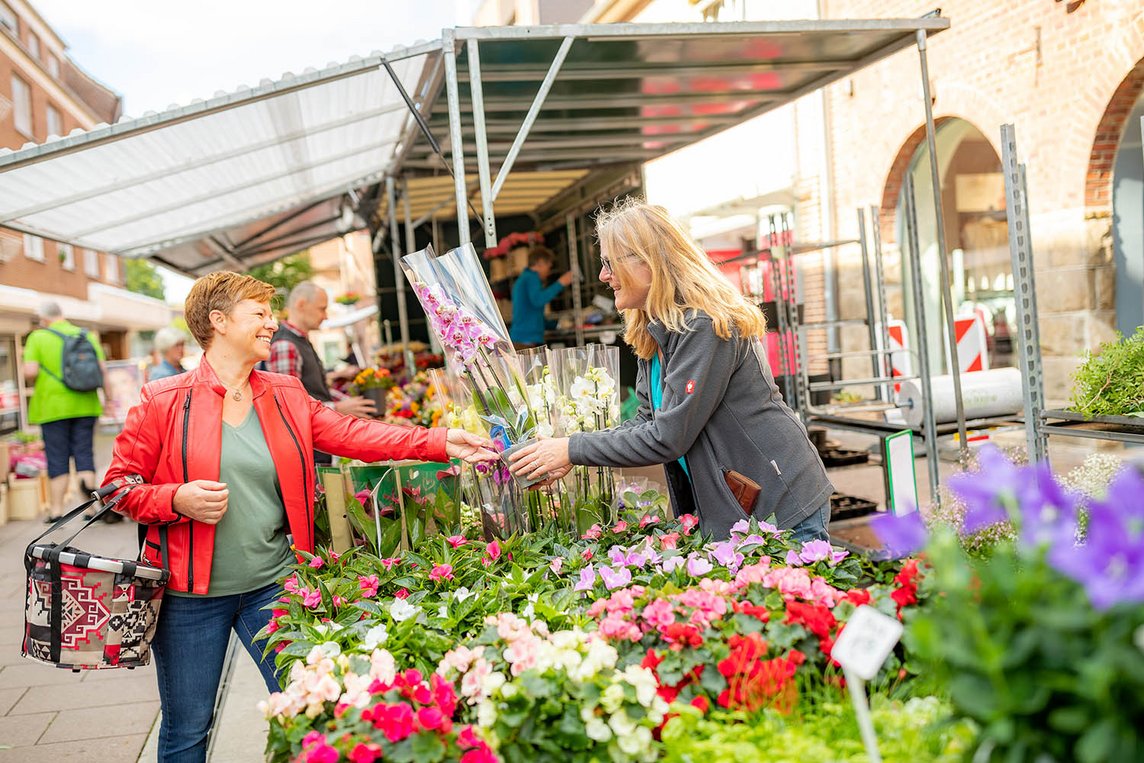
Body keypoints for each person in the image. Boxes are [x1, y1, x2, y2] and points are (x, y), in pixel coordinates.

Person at [101, 272, 496, 762]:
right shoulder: (162, 400)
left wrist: (438, 441)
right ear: (218, 321)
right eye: (260, 313)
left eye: (272, 313)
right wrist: (175, 499)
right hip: (188, 597)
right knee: (187, 731)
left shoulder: (285, 392)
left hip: (274, 585)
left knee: (313, 710)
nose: (272, 323)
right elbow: (118, 489)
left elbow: (355, 434)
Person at [509, 199, 834, 543]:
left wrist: (571, 448)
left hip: (778, 506)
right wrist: (571, 456)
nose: (604, 276)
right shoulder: (656, 328)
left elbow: (668, 436)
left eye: (609, 263)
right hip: (743, 510)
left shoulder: (703, 326)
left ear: (647, 262)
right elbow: (645, 422)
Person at [265, 281, 376, 464]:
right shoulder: (286, 345)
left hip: (316, 448)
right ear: (301, 304)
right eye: (321, 309)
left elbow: (312, 389)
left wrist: (343, 401)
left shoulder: (300, 341)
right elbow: (288, 407)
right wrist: (338, 408)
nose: (325, 316)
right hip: (308, 454)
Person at [22, 302, 107, 523]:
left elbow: (30, 371)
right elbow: (102, 370)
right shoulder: (84, 335)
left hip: (52, 407)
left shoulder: (38, 337)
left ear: (43, 317)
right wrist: (109, 399)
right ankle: (89, 509)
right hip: (86, 404)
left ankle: (57, 511)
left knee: (57, 457)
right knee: (84, 455)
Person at [509, 246, 573, 348]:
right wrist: (561, 283)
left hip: (521, 338)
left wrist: (557, 324)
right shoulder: (531, 277)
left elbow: (532, 313)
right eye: (548, 266)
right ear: (540, 263)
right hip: (525, 340)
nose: (549, 271)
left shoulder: (524, 278)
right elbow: (538, 300)